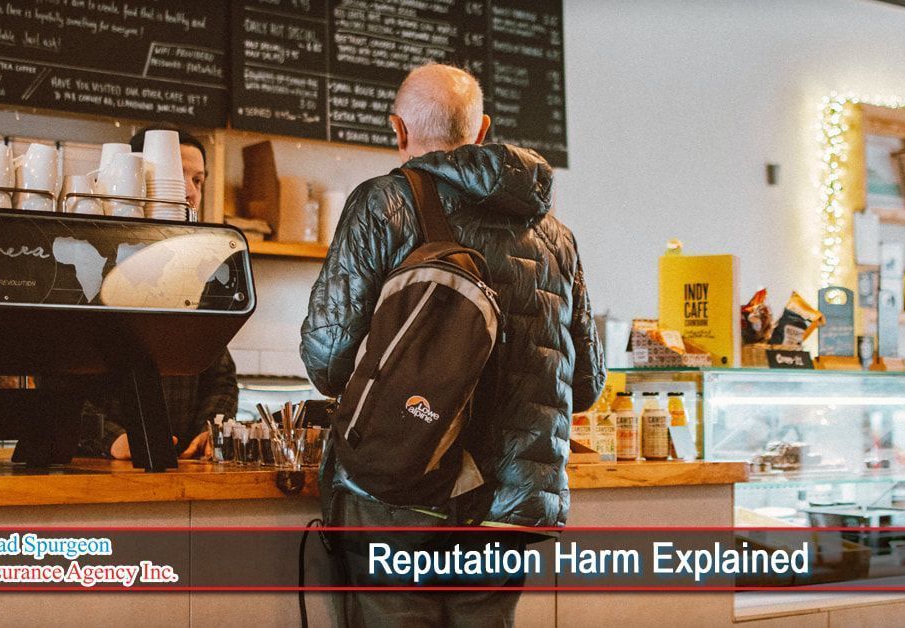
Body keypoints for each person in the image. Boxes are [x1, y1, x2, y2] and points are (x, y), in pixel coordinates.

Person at [301, 63, 605, 626]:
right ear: (482, 129)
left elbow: (328, 357)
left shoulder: (383, 203)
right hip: (510, 504)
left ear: (398, 130)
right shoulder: (555, 236)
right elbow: (585, 384)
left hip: (401, 487)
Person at [82, 127, 237, 460]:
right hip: (98, 465)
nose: (191, 192)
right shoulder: (90, 265)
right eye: (177, 175)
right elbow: (58, 379)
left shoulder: (196, 271)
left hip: (180, 462)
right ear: (136, 177)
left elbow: (220, 377)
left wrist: (209, 431)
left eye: (198, 181)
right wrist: (112, 439)